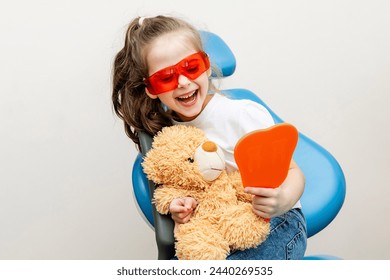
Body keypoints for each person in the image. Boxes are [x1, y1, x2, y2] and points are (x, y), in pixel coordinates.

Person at [112, 15, 307, 260]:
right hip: (216, 230)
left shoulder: (240, 115)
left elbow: (294, 172)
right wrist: (179, 208)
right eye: (166, 77)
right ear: (150, 88)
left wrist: (285, 199)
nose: (183, 82)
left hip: (275, 223)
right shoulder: (167, 137)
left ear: (205, 64)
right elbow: (180, 189)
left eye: (190, 67)